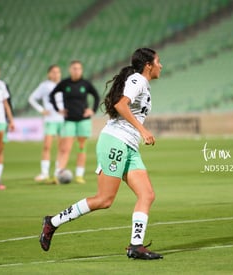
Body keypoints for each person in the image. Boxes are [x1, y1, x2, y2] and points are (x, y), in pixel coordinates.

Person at [40, 48, 164, 260]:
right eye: (158, 61)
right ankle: (52, 223)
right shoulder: (138, 80)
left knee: (147, 194)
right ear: (148, 65)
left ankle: (136, 246)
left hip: (129, 146)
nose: (161, 65)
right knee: (104, 199)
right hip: (115, 141)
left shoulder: (143, 84)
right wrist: (143, 130)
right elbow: (120, 104)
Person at [49, 60, 100, 184]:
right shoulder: (65, 83)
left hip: (83, 120)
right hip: (69, 120)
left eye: (78, 68)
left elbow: (97, 96)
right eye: (74, 68)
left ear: (81, 70)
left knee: (82, 147)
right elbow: (52, 95)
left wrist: (92, 110)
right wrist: (58, 109)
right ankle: (58, 175)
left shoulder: (85, 84)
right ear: (70, 70)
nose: (76, 71)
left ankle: (79, 175)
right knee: (65, 148)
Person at [28, 65, 65, 182]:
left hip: (63, 120)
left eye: (58, 72)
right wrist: (41, 110)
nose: (56, 74)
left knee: (62, 147)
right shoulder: (44, 86)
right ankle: (44, 173)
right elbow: (32, 98)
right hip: (50, 120)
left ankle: (58, 172)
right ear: (49, 74)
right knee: (47, 146)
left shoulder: (64, 85)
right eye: (53, 72)